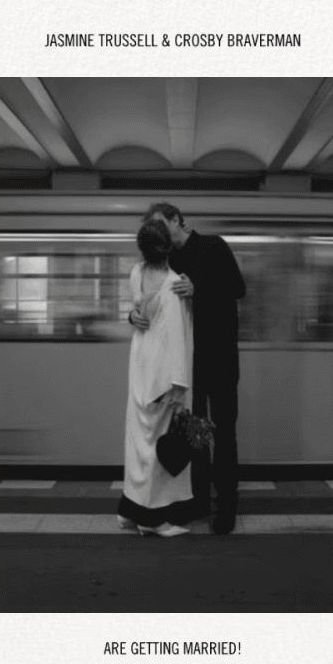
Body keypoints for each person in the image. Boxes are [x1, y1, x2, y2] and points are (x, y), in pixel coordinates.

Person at [131, 202, 247, 533]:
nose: (157, 234)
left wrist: (199, 290)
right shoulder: (167, 260)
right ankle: (197, 500)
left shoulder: (214, 245)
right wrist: (132, 316)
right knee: (193, 434)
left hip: (221, 357)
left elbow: (238, 288)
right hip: (187, 362)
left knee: (224, 432)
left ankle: (226, 506)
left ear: (177, 220)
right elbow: (148, 302)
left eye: (160, 226)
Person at [117, 216, 196, 536]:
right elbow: (177, 337)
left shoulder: (136, 274)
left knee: (137, 444)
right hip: (163, 375)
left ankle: (129, 512)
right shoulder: (173, 285)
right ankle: (154, 520)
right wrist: (178, 384)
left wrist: (132, 315)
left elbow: (138, 312)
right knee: (157, 448)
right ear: (169, 248)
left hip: (139, 367)